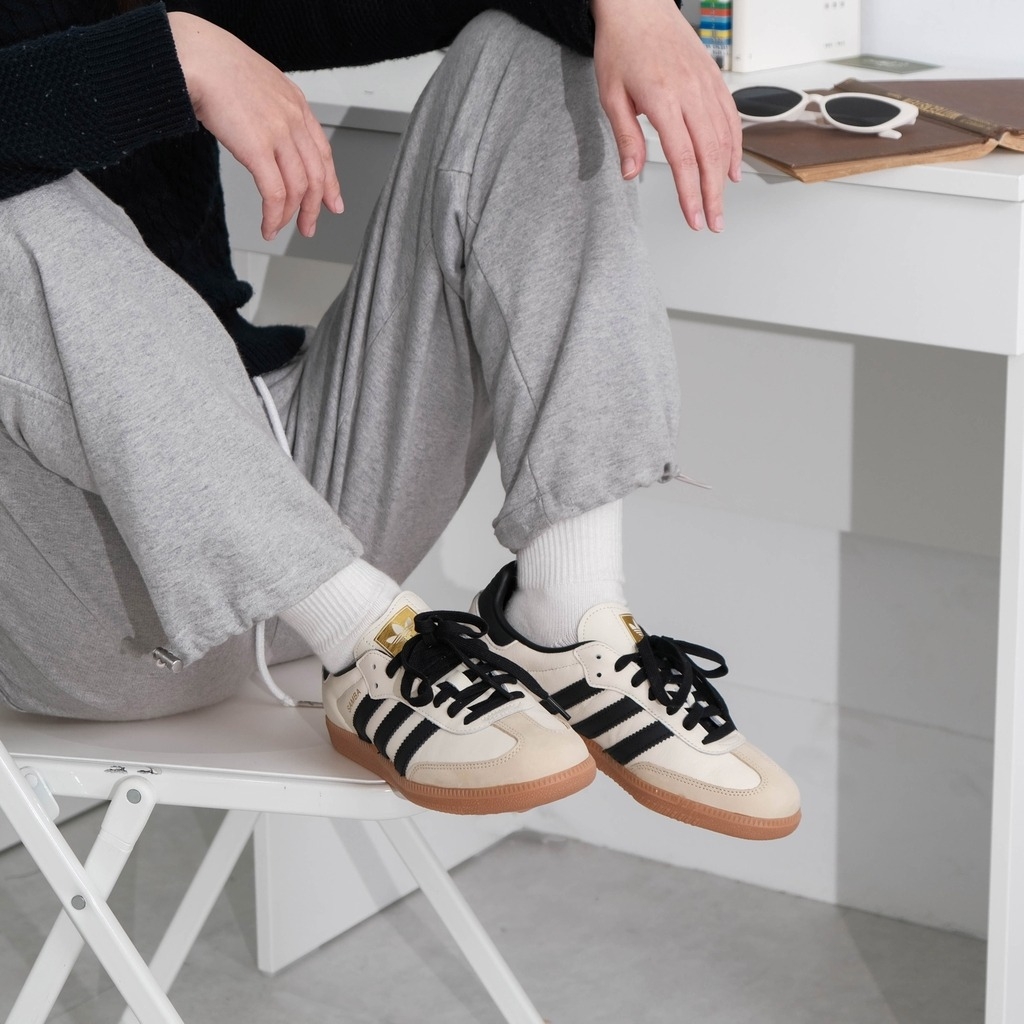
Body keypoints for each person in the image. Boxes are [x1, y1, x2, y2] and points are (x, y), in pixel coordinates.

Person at [0, 0, 800, 839]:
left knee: (526, 48)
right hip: (101, 613)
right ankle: (361, 635)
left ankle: (568, 613)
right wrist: (174, 50)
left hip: (302, 490)